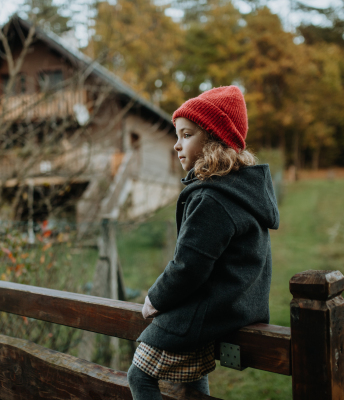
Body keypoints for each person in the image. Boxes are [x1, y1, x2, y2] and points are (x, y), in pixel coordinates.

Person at [127, 86, 280, 399]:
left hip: (212, 308)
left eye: (186, 135)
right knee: (189, 379)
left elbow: (189, 265)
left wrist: (155, 298)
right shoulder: (239, 189)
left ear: (213, 138)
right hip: (237, 306)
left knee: (139, 375)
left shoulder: (212, 198)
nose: (176, 145)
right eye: (177, 135)